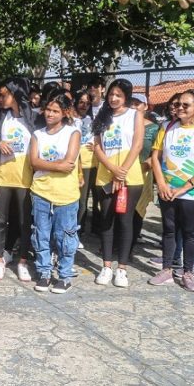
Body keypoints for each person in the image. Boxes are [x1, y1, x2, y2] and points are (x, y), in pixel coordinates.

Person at [149, 90, 194, 292]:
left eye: (186, 105)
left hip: (193, 192)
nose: (180, 108)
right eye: (179, 104)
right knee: (168, 230)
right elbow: (155, 157)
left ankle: (188, 273)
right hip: (168, 190)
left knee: (190, 232)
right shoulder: (166, 127)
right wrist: (162, 184)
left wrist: (185, 187)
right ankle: (167, 269)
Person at [91, 79, 144, 287]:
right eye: (111, 94)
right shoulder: (101, 116)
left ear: (126, 97)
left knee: (125, 221)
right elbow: (97, 147)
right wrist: (112, 169)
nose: (113, 98)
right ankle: (106, 266)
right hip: (106, 174)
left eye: (118, 95)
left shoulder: (134, 115)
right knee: (106, 220)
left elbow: (137, 144)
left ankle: (121, 269)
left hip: (130, 175)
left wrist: (121, 173)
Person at [29, 94, 81, 293]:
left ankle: (65, 275)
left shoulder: (72, 133)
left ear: (65, 113)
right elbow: (34, 162)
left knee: (65, 237)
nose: (49, 114)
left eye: (55, 111)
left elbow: (70, 163)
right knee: (41, 234)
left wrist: (47, 165)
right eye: (48, 110)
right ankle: (44, 272)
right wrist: (57, 165)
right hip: (41, 192)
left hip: (66, 194)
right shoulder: (37, 135)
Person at [0, 78, 35, 282]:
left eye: (4, 95)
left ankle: (22, 261)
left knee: (24, 222)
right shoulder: (0, 117)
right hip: (2, 176)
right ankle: (0, 259)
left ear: (16, 94)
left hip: (25, 178)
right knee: (0, 220)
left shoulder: (34, 118)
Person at [130, 93, 160, 247]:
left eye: (138, 104)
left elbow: (157, 152)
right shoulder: (124, 124)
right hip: (124, 172)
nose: (134, 106)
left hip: (143, 172)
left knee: (137, 209)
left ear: (146, 107)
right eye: (131, 103)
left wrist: (146, 164)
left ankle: (132, 242)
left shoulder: (154, 128)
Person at [75, 91, 99, 234]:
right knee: (76, 200)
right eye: (81, 102)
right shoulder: (69, 119)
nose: (84, 105)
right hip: (74, 163)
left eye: (87, 103)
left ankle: (79, 230)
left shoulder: (93, 120)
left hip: (90, 164)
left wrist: (96, 147)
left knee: (83, 201)